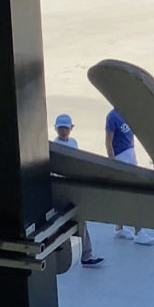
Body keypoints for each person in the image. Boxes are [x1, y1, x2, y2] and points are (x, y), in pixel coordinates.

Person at [55, 114, 102, 267]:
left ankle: (86, 255)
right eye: (61, 128)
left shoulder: (73, 142)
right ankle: (82, 255)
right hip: (63, 191)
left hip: (75, 188)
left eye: (66, 128)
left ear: (71, 128)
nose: (63, 131)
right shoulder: (55, 146)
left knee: (81, 222)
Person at [106, 110, 154, 245]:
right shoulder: (112, 117)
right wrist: (113, 163)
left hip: (131, 154)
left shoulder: (130, 112)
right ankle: (138, 232)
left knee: (125, 195)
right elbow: (108, 142)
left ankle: (119, 228)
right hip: (121, 157)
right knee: (132, 195)